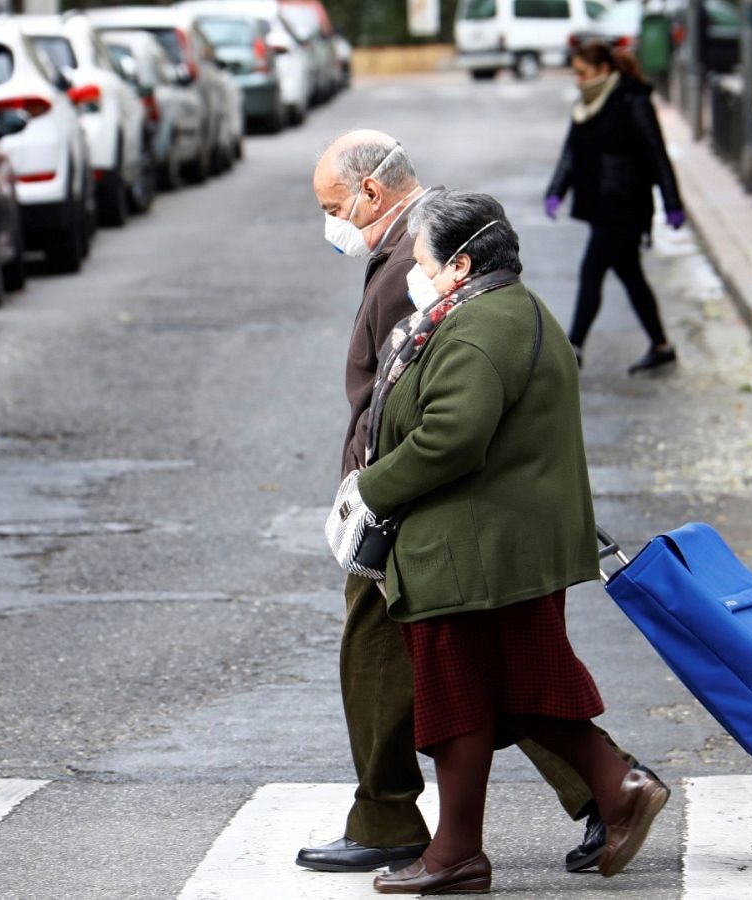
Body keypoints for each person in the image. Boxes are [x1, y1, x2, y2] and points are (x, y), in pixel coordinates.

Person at [305, 132, 648, 878]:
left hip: (463, 534)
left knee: (468, 686)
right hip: (474, 531)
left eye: (335, 208)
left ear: (456, 265)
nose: (332, 225)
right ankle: (594, 794)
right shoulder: (484, 299)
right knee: (497, 683)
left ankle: (447, 831)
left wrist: (370, 486)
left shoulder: (461, 305)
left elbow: (444, 428)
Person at [545, 41, 686, 375]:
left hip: (625, 205)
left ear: (604, 70)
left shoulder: (631, 100)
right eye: (576, 73)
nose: (578, 80)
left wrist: (672, 203)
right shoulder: (587, 103)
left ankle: (573, 347)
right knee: (630, 275)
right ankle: (661, 345)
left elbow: (657, 154)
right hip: (600, 204)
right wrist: (556, 190)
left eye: (583, 73)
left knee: (591, 270)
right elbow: (571, 152)